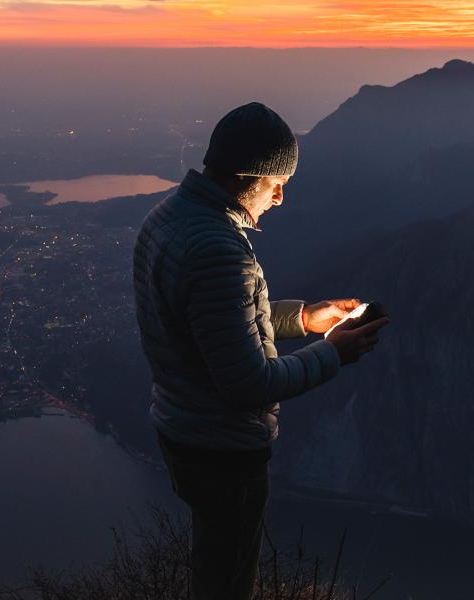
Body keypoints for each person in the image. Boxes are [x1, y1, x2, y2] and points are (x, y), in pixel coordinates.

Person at [132, 101, 389, 600]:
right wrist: (334, 352)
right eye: (277, 182)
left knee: (212, 566)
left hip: (182, 428)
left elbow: (213, 325)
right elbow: (248, 383)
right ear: (248, 173)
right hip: (222, 448)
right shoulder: (215, 248)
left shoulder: (169, 218)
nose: (280, 197)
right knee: (226, 582)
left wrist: (304, 319)